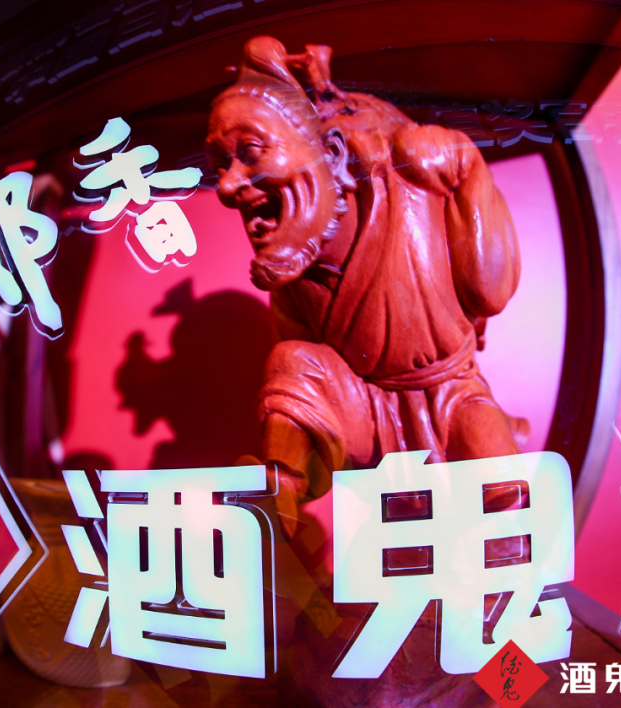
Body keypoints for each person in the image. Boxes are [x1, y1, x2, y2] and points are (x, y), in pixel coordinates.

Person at [206, 37, 526, 532]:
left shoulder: (414, 185)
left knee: (498, 491)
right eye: (220, 165)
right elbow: (306, 386)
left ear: (331, 154)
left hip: (451, 394)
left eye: (249, 152)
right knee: (291, 361)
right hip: (365, 411)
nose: (227, 186)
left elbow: (491, 291)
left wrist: (468, 170)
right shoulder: (292, 266)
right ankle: (275, 500)